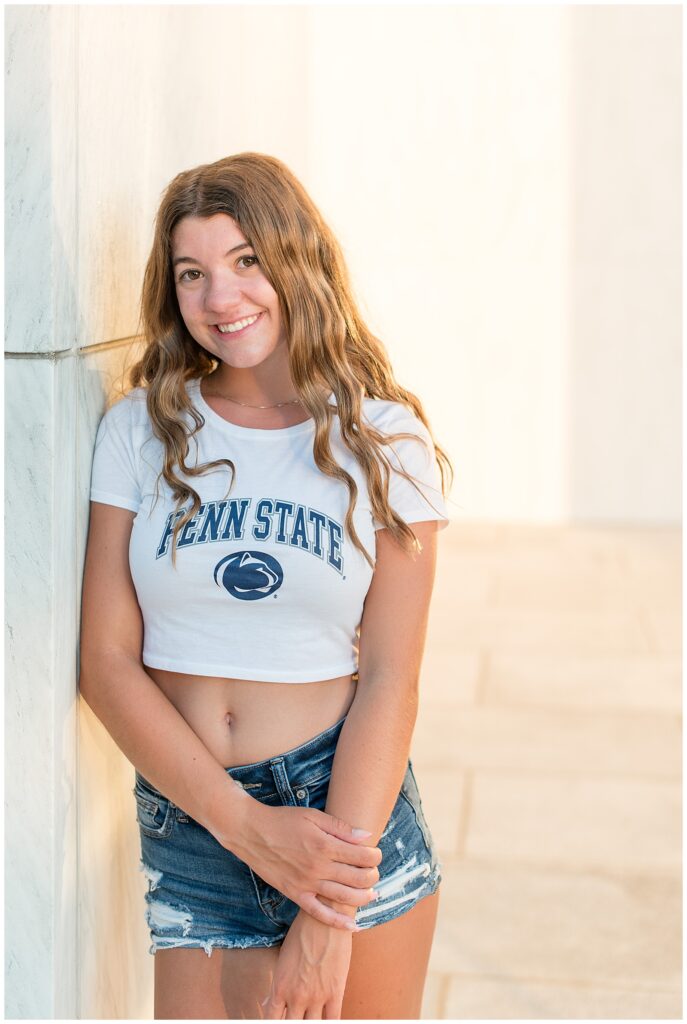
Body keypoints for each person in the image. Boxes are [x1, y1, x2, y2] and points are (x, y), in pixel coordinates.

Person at [79, 151, 453, 1020]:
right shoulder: (141, 430)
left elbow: (391, 679)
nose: (222, 298)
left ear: (295, 260)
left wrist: (329, 911)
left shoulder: (383, 442)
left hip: (344, 818)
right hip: (196, 818)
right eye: (192, 274)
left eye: (246, 261)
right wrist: (242, 827)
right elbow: (103, 661)